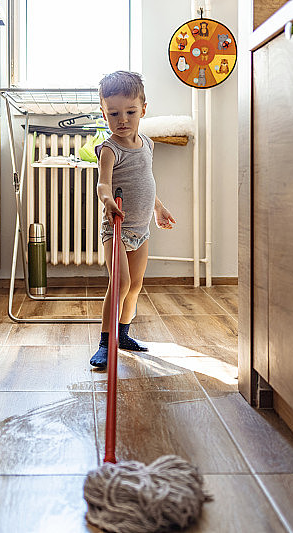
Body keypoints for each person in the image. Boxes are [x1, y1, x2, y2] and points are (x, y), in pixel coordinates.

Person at [90, 71, 176, 368]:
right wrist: (107, 200)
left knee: (136, 284)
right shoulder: (110, 149)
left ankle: (123, 334)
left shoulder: (148, 144)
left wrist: (158, 208)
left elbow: (146, 181)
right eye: (113, 113)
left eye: (130, 111)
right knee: (120, 284)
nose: (122, 119)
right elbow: (103, 184)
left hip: (141, 229)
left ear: (143, 109)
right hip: (117, 228)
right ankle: (105, 341)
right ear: (104, 114)